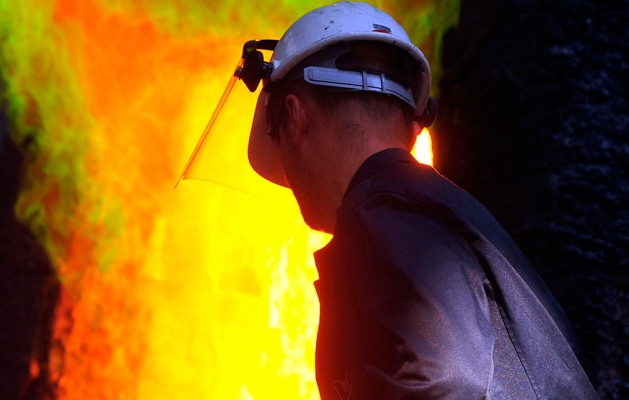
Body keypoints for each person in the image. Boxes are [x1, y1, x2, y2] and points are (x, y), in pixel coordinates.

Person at [238, 2, 599, 399]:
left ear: (294, 118)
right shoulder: (429, 206)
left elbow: (448, 382)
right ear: (412, 126)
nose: (289, 178)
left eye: (279, 146)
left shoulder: (382, 209)